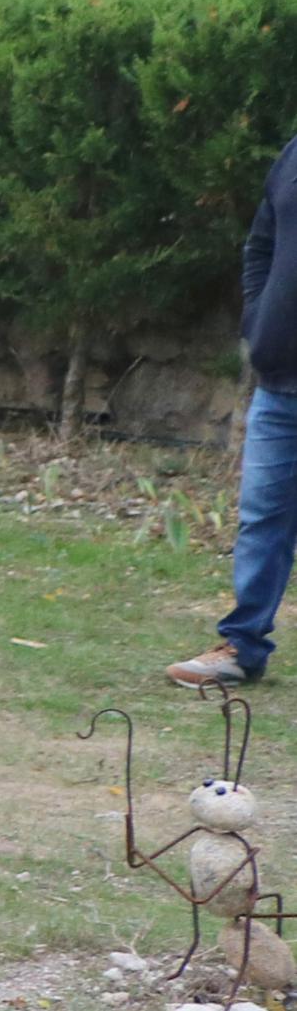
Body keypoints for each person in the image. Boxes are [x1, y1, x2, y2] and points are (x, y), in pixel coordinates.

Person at [169, 118, 297, 691]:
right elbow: (261, 246)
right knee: (262, 520)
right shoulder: (294, 153)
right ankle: (242, 647)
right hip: (281, 383)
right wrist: (257, 319)